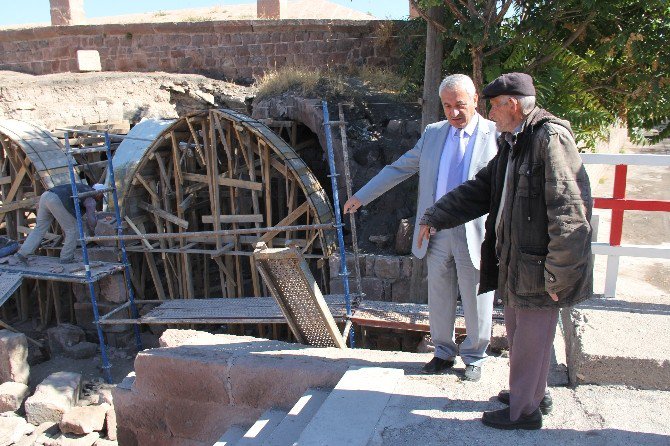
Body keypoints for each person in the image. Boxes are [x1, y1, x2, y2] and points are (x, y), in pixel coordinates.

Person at [418, 72, 593, 429]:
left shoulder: (549, 137)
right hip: (519, 262)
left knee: (531, 338)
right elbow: (482, 188)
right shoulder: (515, 140)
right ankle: (532, 395)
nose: (491, 114)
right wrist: (435, 215)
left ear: (512, 105)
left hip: (540, 266)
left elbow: (569, 210)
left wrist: (559, 273)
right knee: (522, 334)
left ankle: (523, 413)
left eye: (494, 106)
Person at [344, 74, 498, 381]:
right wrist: (362, 196)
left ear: (476, 100)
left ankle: (474, 356)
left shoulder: (495, 135)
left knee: (476, 295)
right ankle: (442, 352)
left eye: (460, 105)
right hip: (437, 229)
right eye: (447, 106)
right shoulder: (433, 134)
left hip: (476, 230)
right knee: (438, 294)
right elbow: (399, 168)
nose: (454, 113)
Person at [15, 183, 106, 265]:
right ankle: (66, 258)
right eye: (102, 196)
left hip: (46, 196)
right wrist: (96, 231)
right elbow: (91, 219)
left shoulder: (83, 188)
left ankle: (22, 253)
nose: (100, 199)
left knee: (39, 228)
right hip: (57, 199)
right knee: (73, 230)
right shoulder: (90, 197)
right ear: (99, 193)